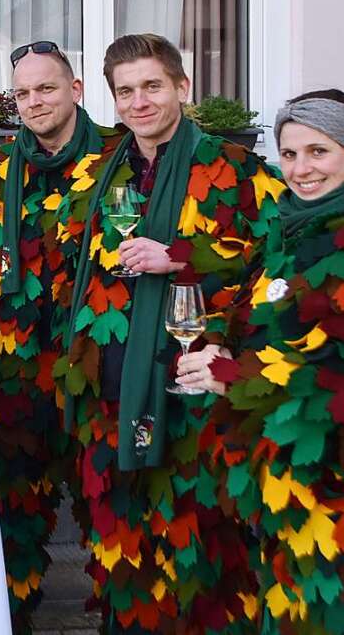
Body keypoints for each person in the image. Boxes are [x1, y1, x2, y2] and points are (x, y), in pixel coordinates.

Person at [55, 33, 283, 632]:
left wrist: (181, 257)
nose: (139, 102)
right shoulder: (96, 174)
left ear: (182, 87)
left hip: (191, 393)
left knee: (201, 552)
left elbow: (273, 266)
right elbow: (71, 265)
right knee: (121, 552)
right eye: (125, 91)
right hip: (111, 387)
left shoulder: (235, 170)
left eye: (152, 86)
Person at [0, 41, 117, 633]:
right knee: (9, 523)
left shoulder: (123, 159)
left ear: (76, 90)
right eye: (23, 93)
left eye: (46, 89)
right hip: (15, 380)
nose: (33, 102)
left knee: (115, 521)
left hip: (100, 371)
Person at [179, 89, 344, 631]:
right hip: (276, 462)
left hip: (328, 478)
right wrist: (223, 337)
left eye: (319, 152)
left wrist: (233, 378)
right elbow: (253, 297)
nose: (301, 169)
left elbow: (329, 368)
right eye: (291, 154)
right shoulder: (288, 223)